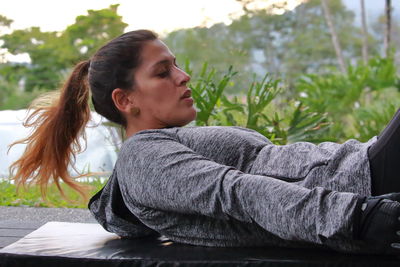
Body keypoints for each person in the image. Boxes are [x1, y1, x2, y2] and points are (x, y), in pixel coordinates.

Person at [9, 30, 400, 255]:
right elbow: (237, 193)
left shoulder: (159, 148)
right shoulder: (142, 157)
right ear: (125, 100)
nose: (184, 76)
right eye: (163, 72)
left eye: (176, 64)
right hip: (364, 188)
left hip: (363, 172)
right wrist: (357, 216)